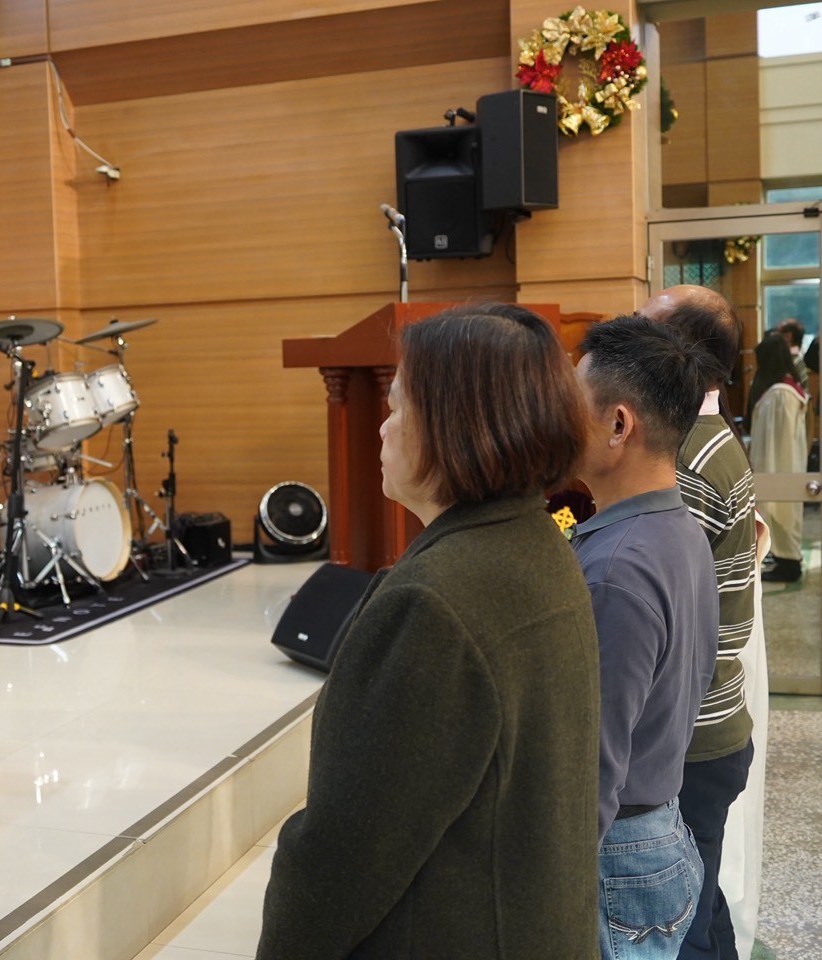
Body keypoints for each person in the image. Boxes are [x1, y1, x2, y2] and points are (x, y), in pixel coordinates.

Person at [256, 305, 600, 960]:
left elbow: (344, 854)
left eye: (397, 408)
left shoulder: (432, 602)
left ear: (454, 427)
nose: (382, 429)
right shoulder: (536, 540)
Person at [571, 315, 717, 960]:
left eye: (571, 404)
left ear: (618, 424)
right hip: (658, 823)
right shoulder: (674, 527)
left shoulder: (616, 568)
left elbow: (594, 761)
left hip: (617, 851)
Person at [642, 286, 764, 960]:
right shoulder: (703, 435)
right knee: (701, 899)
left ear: (676, 353)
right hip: (708, 725)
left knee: (677, 922)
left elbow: (657, 607)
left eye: (642, 327)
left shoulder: (682, 459)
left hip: (687, 735)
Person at [745, 335, 807, 583]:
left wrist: (764, 472)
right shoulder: (786, 388)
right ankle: (784, 559)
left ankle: (788, 564)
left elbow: (774, 440)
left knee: (781, 510)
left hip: (778, 464)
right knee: (784, 513)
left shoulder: (780, 394)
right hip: (785, 463)